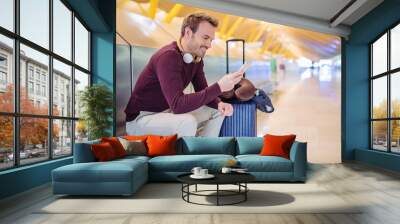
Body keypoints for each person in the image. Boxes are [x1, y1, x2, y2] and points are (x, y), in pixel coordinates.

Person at [125, 13, 244, 137]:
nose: (209, 45)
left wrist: (219, 103)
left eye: (211, 40)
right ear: (188, 32)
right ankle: (185, 156)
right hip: (141, 119)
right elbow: (178, 105)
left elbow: (203, 90)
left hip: (166, 112)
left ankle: (205, 149)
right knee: (187, 122)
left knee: (218, 111)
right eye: (205, 38)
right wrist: (219, 87)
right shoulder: (168, 57)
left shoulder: (196, 58)